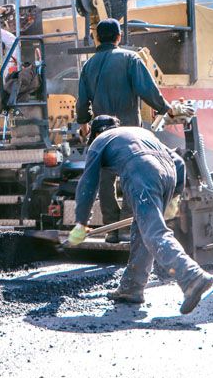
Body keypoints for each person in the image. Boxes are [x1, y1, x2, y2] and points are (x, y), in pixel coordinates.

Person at [69, 115, 213, 315]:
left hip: (140, 171)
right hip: (168, 172)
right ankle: (132, 287)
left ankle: (191, 276)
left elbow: (88, 184)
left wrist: (80, 222)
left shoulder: (98, 143)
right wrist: (174, 196)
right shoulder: (139, 133)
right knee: (143, 229)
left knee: (154, 232)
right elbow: (179, 162)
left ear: (93, 134)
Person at [75, 18, 193, 242]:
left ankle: (111, 229)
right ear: (119, 37)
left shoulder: (88, 66)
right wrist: (165, 110)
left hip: (102, 134)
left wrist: (84, 122)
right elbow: (148, 90)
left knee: (105, 180)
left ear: (97, 37)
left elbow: (82, 102)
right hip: (130, 133)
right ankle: (127, 225)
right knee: (131, 176)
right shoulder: (130, 59)